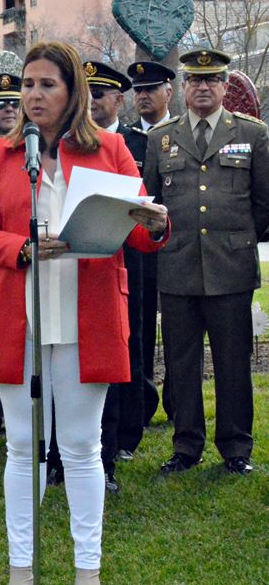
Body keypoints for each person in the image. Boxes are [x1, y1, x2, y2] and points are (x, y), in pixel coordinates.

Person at [0, 42, 169, 585]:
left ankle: (88, 574)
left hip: (88, 315)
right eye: (28, 84)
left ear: (72, 92)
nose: (32, 95)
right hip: (19, 317)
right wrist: (23, 247)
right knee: (24, 448)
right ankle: (20, 571)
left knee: (81, 447)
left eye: (46, 85)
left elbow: (136, 231)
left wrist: (153, 224)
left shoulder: (110, 150)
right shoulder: (2, 155)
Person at [143, 48, 269, 478]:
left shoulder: (253, 135)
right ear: (182, 87)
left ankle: (236, 448)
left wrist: (237, 238)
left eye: (212, 80)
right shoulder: (161, 138)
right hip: (177, 268)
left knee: (233, 362)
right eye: (194, 80)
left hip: (230, 268)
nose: (202, 87)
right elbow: (151, 203)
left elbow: (263, 204)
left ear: (224, 85)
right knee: (180, 362)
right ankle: (186, 446)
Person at [85, 60, 149, 493]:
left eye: (99, 95)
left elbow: (148, 200)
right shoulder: (59, 144)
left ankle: (122, 437)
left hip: (128, 257)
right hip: (76, 262)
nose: (91, 103)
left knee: (128, 347)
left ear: (118, 100)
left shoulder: (131, 144)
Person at [127, 60, 177, 427]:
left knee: (180, 330)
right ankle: (141, 402)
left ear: (168, 92)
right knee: (140, 326)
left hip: (181, 246)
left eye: (151, 89)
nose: (144, 96)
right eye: (139, 90)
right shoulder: (127, 141)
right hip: (140, 247)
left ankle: (178, 403)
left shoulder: (183, 134)